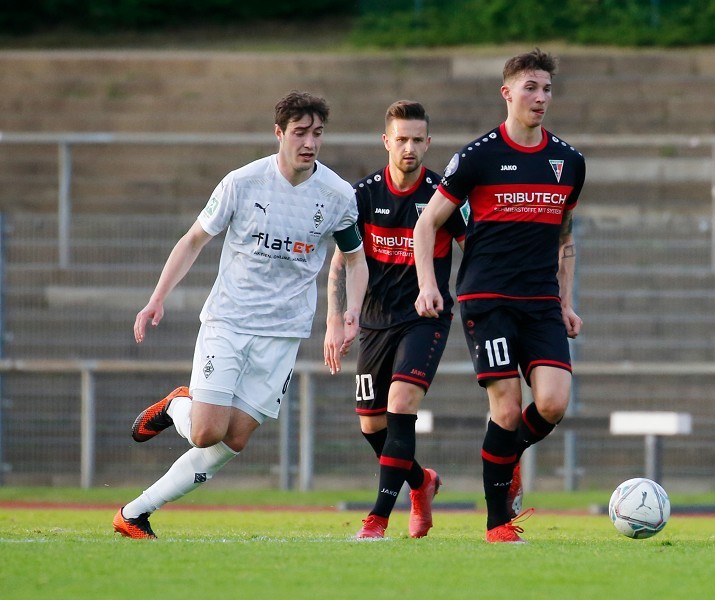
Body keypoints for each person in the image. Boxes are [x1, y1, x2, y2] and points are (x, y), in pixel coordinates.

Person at [113, 90, 368, 539]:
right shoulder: (243, 182)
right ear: (279, 133)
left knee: (234, 439)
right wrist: (157, 298)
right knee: (205, 433)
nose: (310, 142)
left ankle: (133, 514)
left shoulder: (337, 194)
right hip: (229, 323)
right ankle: (177, 404)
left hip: (283, 334)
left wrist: (351, 312)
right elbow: (194, 239)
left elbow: (355, 258)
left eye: (317, 133)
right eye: (300, 132)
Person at [413, 49, 585, 543]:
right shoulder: (478, 156)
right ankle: (497, 524)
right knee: (506, 410)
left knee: (552, 403)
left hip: (541, 302)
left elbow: (565, 238)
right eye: (531, 88)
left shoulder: (569, 162)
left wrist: (566, 301)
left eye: (547, 88)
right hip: (487, 299)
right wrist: (428, 284)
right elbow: (427, 223)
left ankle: (506, 456)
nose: (540, 97)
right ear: (507, 93)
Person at [325, 100, 466, 540]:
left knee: (401, 404)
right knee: (372, 424)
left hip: (425, 318)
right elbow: (340, 263)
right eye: (401, 139)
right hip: (375, 321)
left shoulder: (444, 195)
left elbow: (476, 249)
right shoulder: (363, 196)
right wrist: (336, 319)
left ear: (428, 143)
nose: (409, 148)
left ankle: (377, 520)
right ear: (386, 141)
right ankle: (422, 482)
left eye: (417, 140)